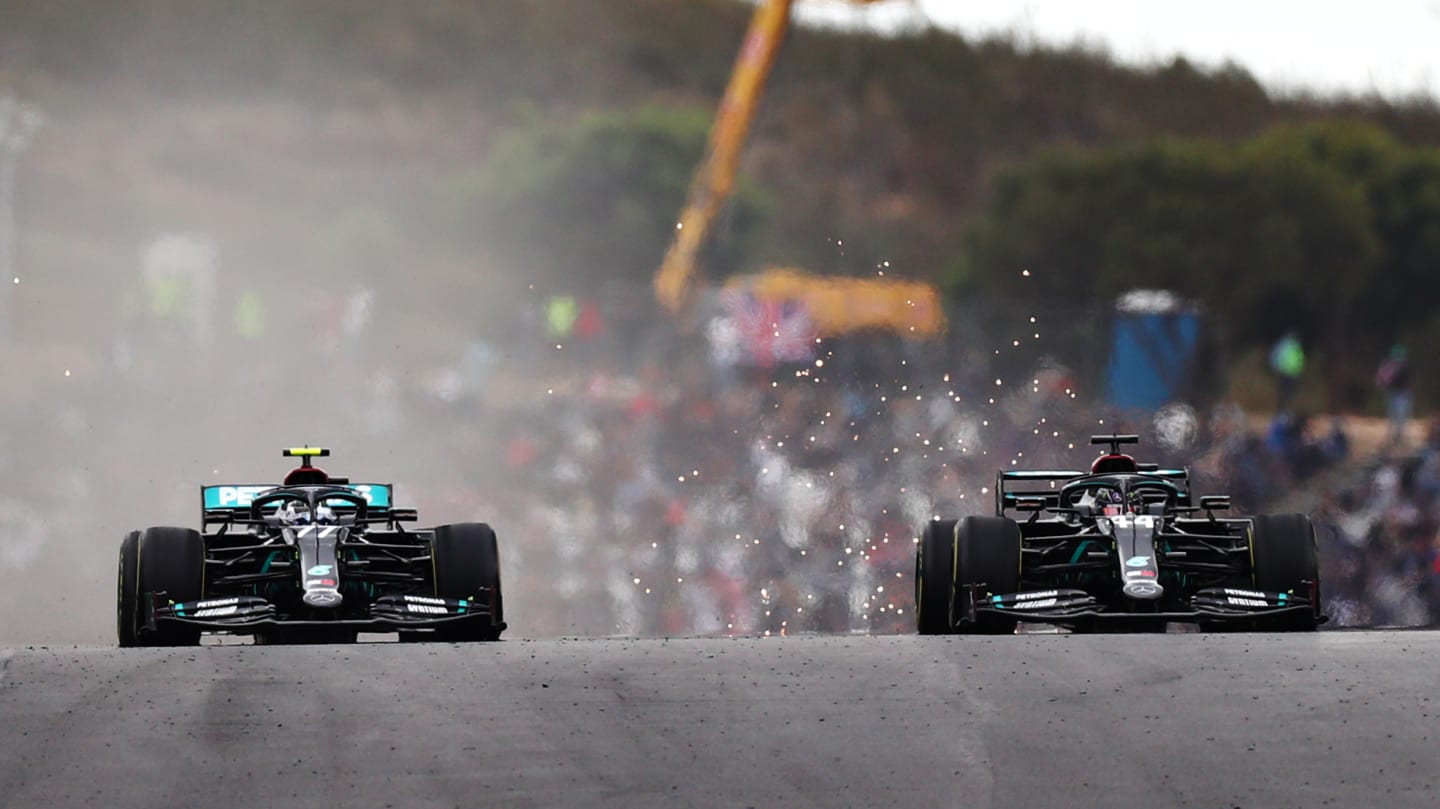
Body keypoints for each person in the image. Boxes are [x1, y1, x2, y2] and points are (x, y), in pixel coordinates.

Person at [1376, 345, 1413, 448]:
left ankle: (1399, 437)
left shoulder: (1405, 366)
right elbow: (1380, 381)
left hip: (1402, 394)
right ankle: (1394, 437)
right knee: (1393, 416)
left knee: (1401, 417)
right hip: (1394, 394)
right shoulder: (1388, 366)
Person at [1270, 331, 1305, 410]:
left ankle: (1287, 409)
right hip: (1285, 372)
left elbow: (1299, 360)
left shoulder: (1296, 347)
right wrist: (1277, 368)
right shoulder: (1284, 346)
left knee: (1291, 393)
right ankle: (1282, 409)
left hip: (1293, 373)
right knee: (1284, 392)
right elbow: (1276, 358)